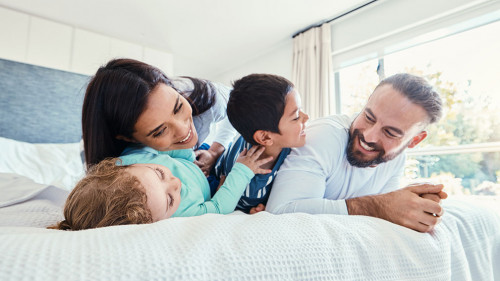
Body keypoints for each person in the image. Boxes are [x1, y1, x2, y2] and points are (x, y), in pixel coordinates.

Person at [266, 73, 447, 233]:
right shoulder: (325, 135)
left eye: (390, 133)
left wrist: (418, 205)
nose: (368, 136)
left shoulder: (397, 160)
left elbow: (389, 207)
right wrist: (379, 207)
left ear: (414, 141)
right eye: (368, 117)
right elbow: (280, 210)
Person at [49, 145, 272, 231]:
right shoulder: (184, 213)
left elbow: (167, 152)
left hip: (193, 158)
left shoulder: (132, 160)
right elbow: (219, 207)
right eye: (170, 200)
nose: (177, 184)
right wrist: (242, 170)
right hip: (211, 185)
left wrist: (188, 154)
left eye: (160, 173)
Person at [81, 58, 237, 174]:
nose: (184, 131)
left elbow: (240, 105)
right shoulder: (120, 163)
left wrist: (214, 151)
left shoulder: (202, 97)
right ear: (130, 138)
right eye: (160, 131)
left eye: (178, 108)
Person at [214, 74, 309, 213]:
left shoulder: (259, 134)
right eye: (295, 117)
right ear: (264, 137)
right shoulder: (252, 189)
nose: (306, 117)